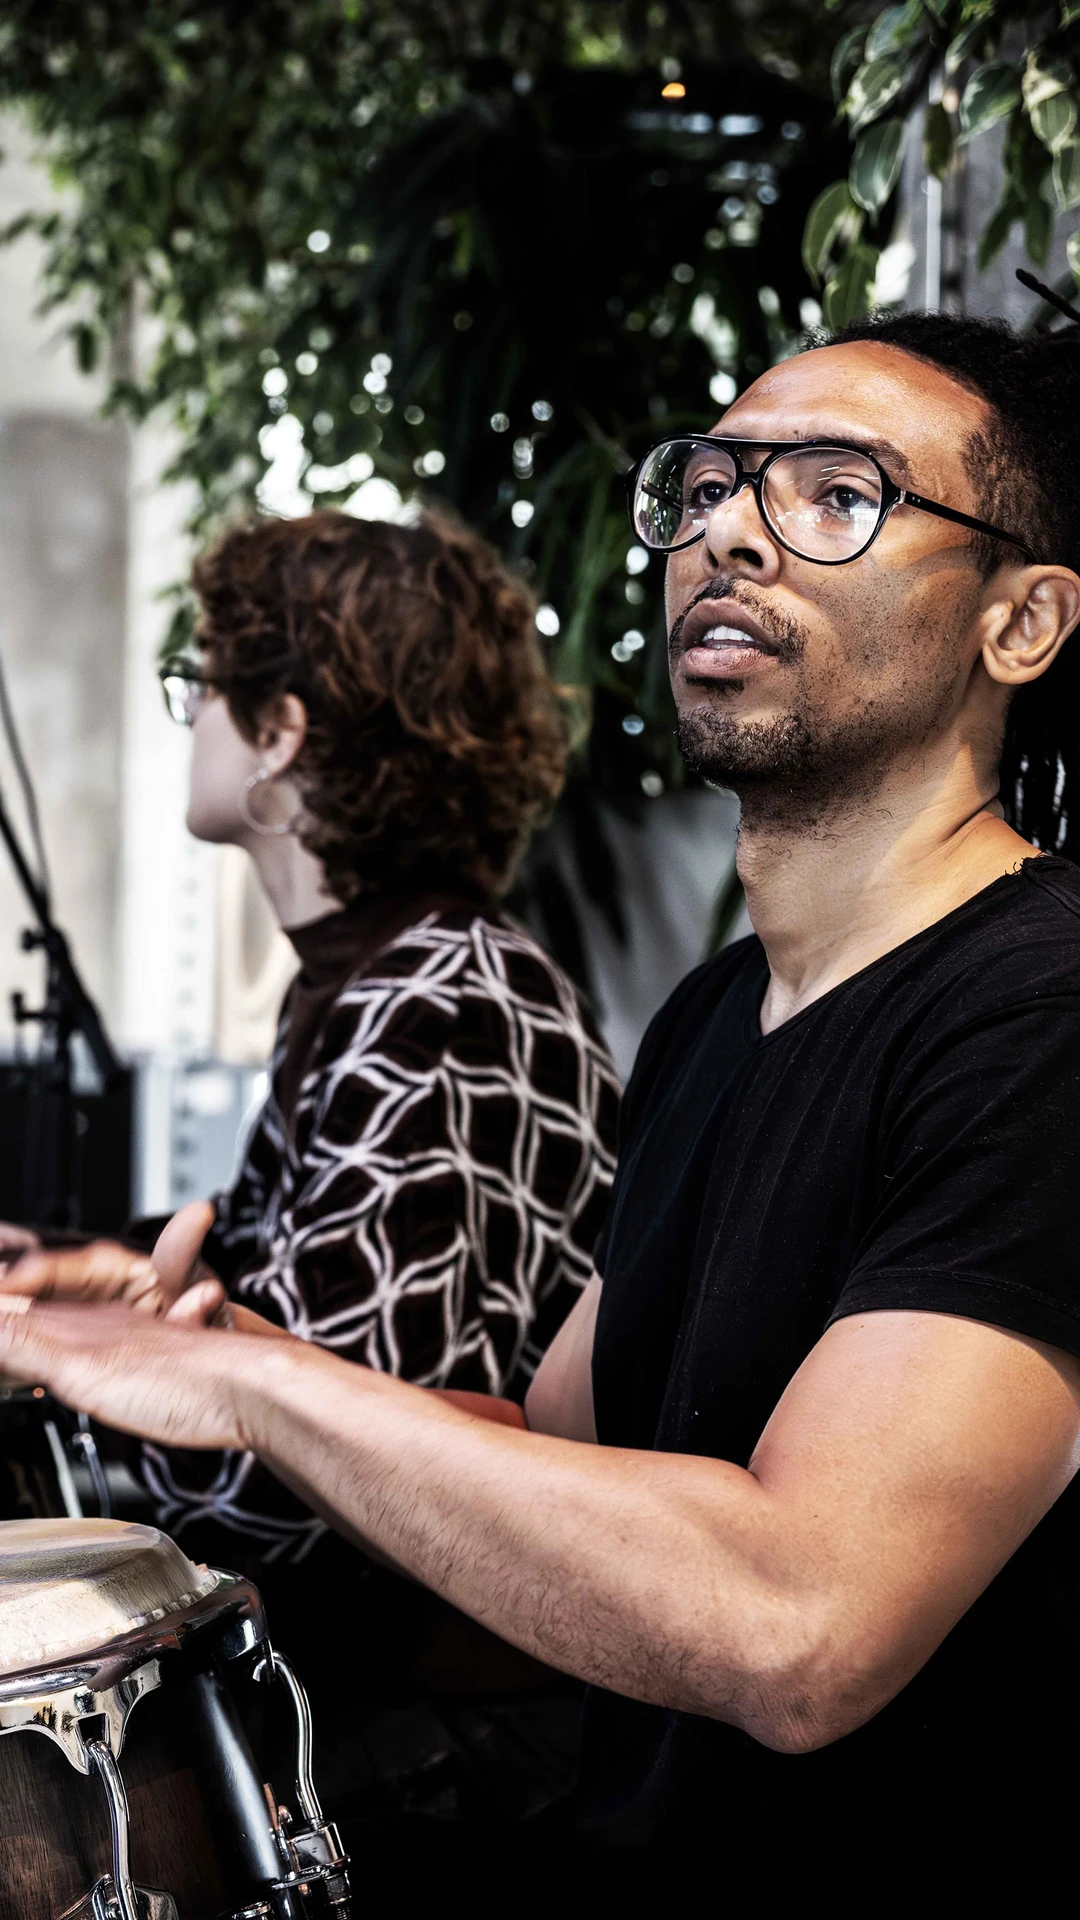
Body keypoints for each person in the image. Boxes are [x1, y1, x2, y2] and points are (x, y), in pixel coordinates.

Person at [6, 307, 1080, 1881]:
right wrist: (233, 1347)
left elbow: (803, 1622)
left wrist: (264, 1398)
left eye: (835, 493)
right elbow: (557, 1442)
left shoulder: (1039, 1014)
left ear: (1022, 624)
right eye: (709, 485)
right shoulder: (721, 1014)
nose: (729, 532)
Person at [3, 508, 619, 1837]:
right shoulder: (383, 983)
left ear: (281, 731)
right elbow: (304, 1304)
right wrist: (96, 1283)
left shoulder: (439, 998)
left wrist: (79, 1357)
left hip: (457, 1739)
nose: (193, 721)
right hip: (379, 1685)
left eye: (203, 689)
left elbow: (322, 1462)